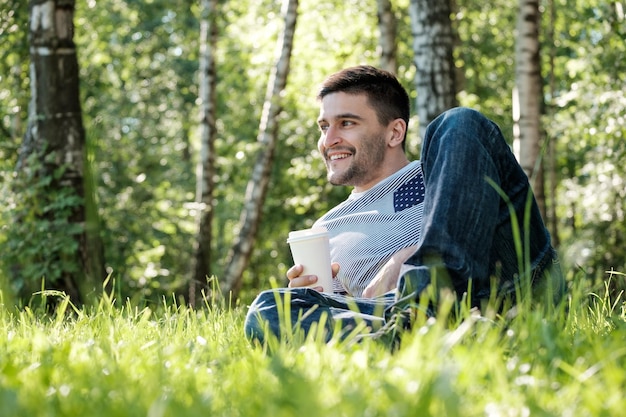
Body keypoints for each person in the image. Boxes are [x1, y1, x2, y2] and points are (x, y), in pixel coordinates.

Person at [244, 65, 564, 346]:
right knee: (270, 308)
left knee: (458, 122)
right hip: (395, 313)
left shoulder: (447, 165)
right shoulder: (326, 229)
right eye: (324, 126)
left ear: (395, 132)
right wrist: (315, 296)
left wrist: (407, 258)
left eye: (347, 123)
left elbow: (483, 217)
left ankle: (431, 310)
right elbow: (355, 308)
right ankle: (417, 335)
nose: (329, 140)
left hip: (502, 285)